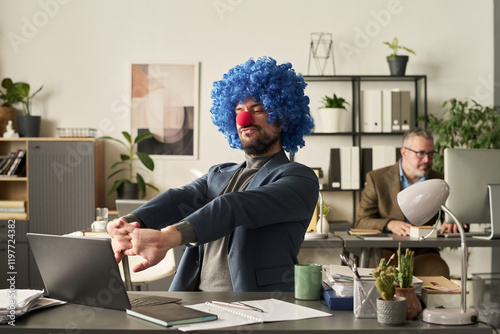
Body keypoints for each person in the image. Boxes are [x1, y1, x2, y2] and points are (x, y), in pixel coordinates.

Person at [108, 56, 319, 292]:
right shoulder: (218, 174)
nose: (244, 119)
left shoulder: (299, 179)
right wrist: (128, 222)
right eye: (238, 110)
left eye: (257, 109)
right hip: (196, 301)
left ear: (284, 119)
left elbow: (235, 206)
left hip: (258, 306)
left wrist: (168, 237)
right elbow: (178, 198)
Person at [355, 128, 457, 277]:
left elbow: (449, 216)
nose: (427, 160)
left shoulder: (440, 181)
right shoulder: (377, 179)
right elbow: (361, 222)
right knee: (379, 273)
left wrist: (451, 222)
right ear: (404, 152)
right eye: (421, 153)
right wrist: (389, 224)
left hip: (423, 252)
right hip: (386, 251)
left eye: (430, 154)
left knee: (438, 270)